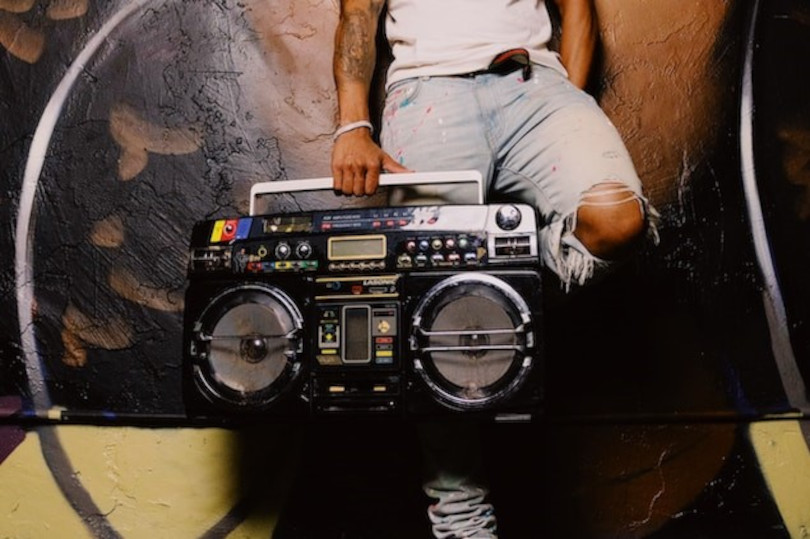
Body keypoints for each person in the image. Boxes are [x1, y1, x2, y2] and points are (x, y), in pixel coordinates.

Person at [330, 0, 658, 536]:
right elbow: (358, 14)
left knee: (616, 220)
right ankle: (462, 523)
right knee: (431, 304)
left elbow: (577, 8)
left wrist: (569, 94)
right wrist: (352, 125)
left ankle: (500, 291)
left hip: (535, 83)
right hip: (426, 93)